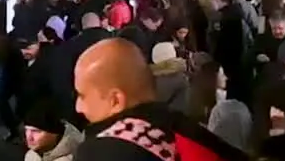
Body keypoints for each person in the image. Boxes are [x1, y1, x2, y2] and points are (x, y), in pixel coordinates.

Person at [71, 38, 241, 161]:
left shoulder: (101, 152)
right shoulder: (190, 133)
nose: (78, 107)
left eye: (82, 95)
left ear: (115, 100)